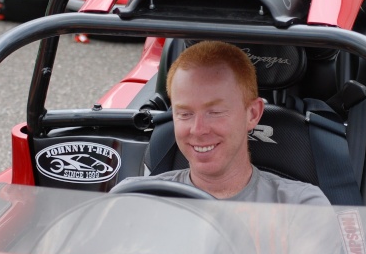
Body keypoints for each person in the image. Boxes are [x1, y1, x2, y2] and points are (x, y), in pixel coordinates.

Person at [121, 40, 330, 205]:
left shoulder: (300, 206)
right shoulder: (138, 199)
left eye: (215, 112)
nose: (198, 129)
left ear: (253, 114)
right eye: (185, 114)